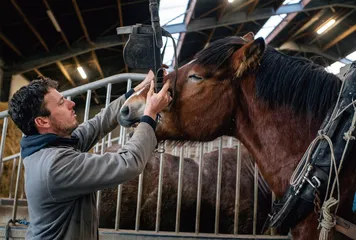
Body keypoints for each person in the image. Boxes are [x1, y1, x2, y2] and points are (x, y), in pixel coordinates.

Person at [8, 70, 171, 240]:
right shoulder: (55, 165)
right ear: (42, 121)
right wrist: (150, 115)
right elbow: (128, 163)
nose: (71, 104)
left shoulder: (52, 145)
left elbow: (99, 123)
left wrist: (140, 89)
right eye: (61, 103)